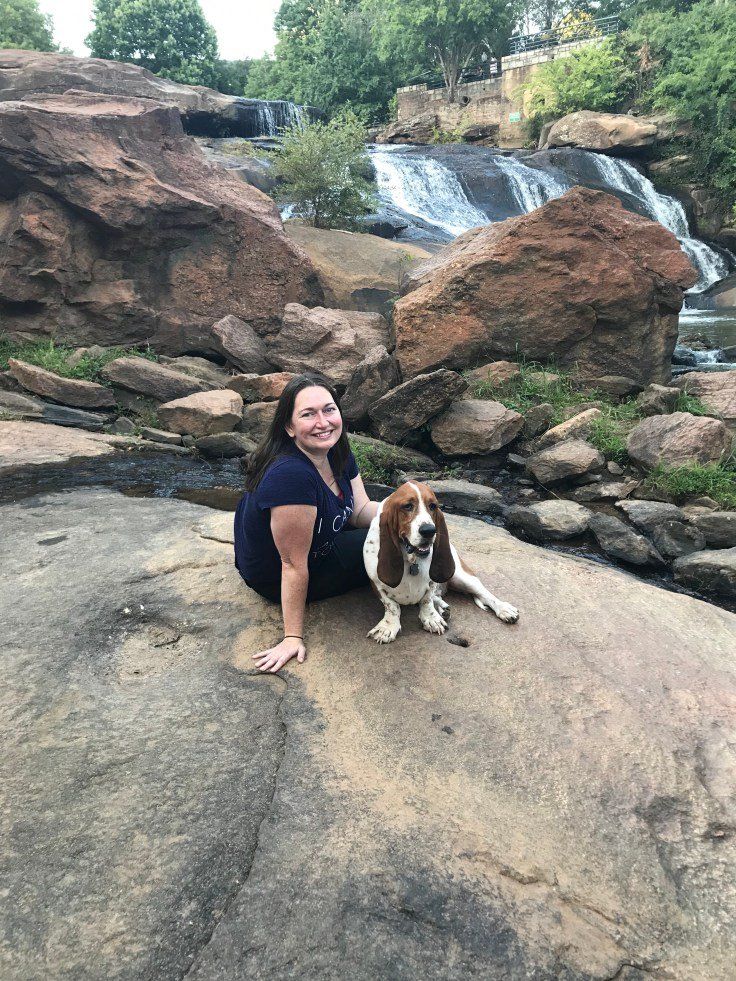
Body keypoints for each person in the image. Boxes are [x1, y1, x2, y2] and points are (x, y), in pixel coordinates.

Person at [234, 373, 379, 674]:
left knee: (402, 530)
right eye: (308, 414)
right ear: (289, 426)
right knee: (394, 546)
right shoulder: (291, 476)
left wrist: (407, 517)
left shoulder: (336, 450)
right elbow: (291, 564)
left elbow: (359, 510)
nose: (323, 422)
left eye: (329, 409)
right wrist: (292, 637)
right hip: (275, 577)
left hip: (312, 548)